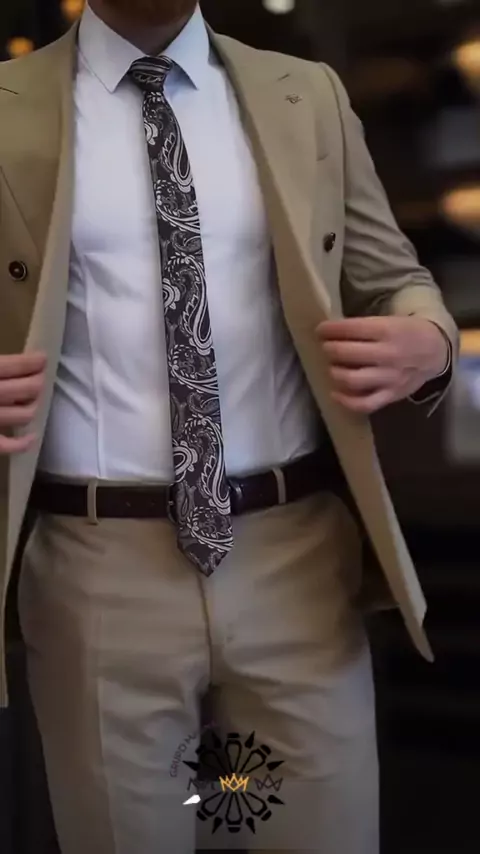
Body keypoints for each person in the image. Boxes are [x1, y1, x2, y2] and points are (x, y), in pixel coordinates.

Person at [0, 1, 457, 853]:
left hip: (297, 558)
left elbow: (394, 277)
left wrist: (429, 341)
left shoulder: (306, 94)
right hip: (97, 569)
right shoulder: (8, 104)